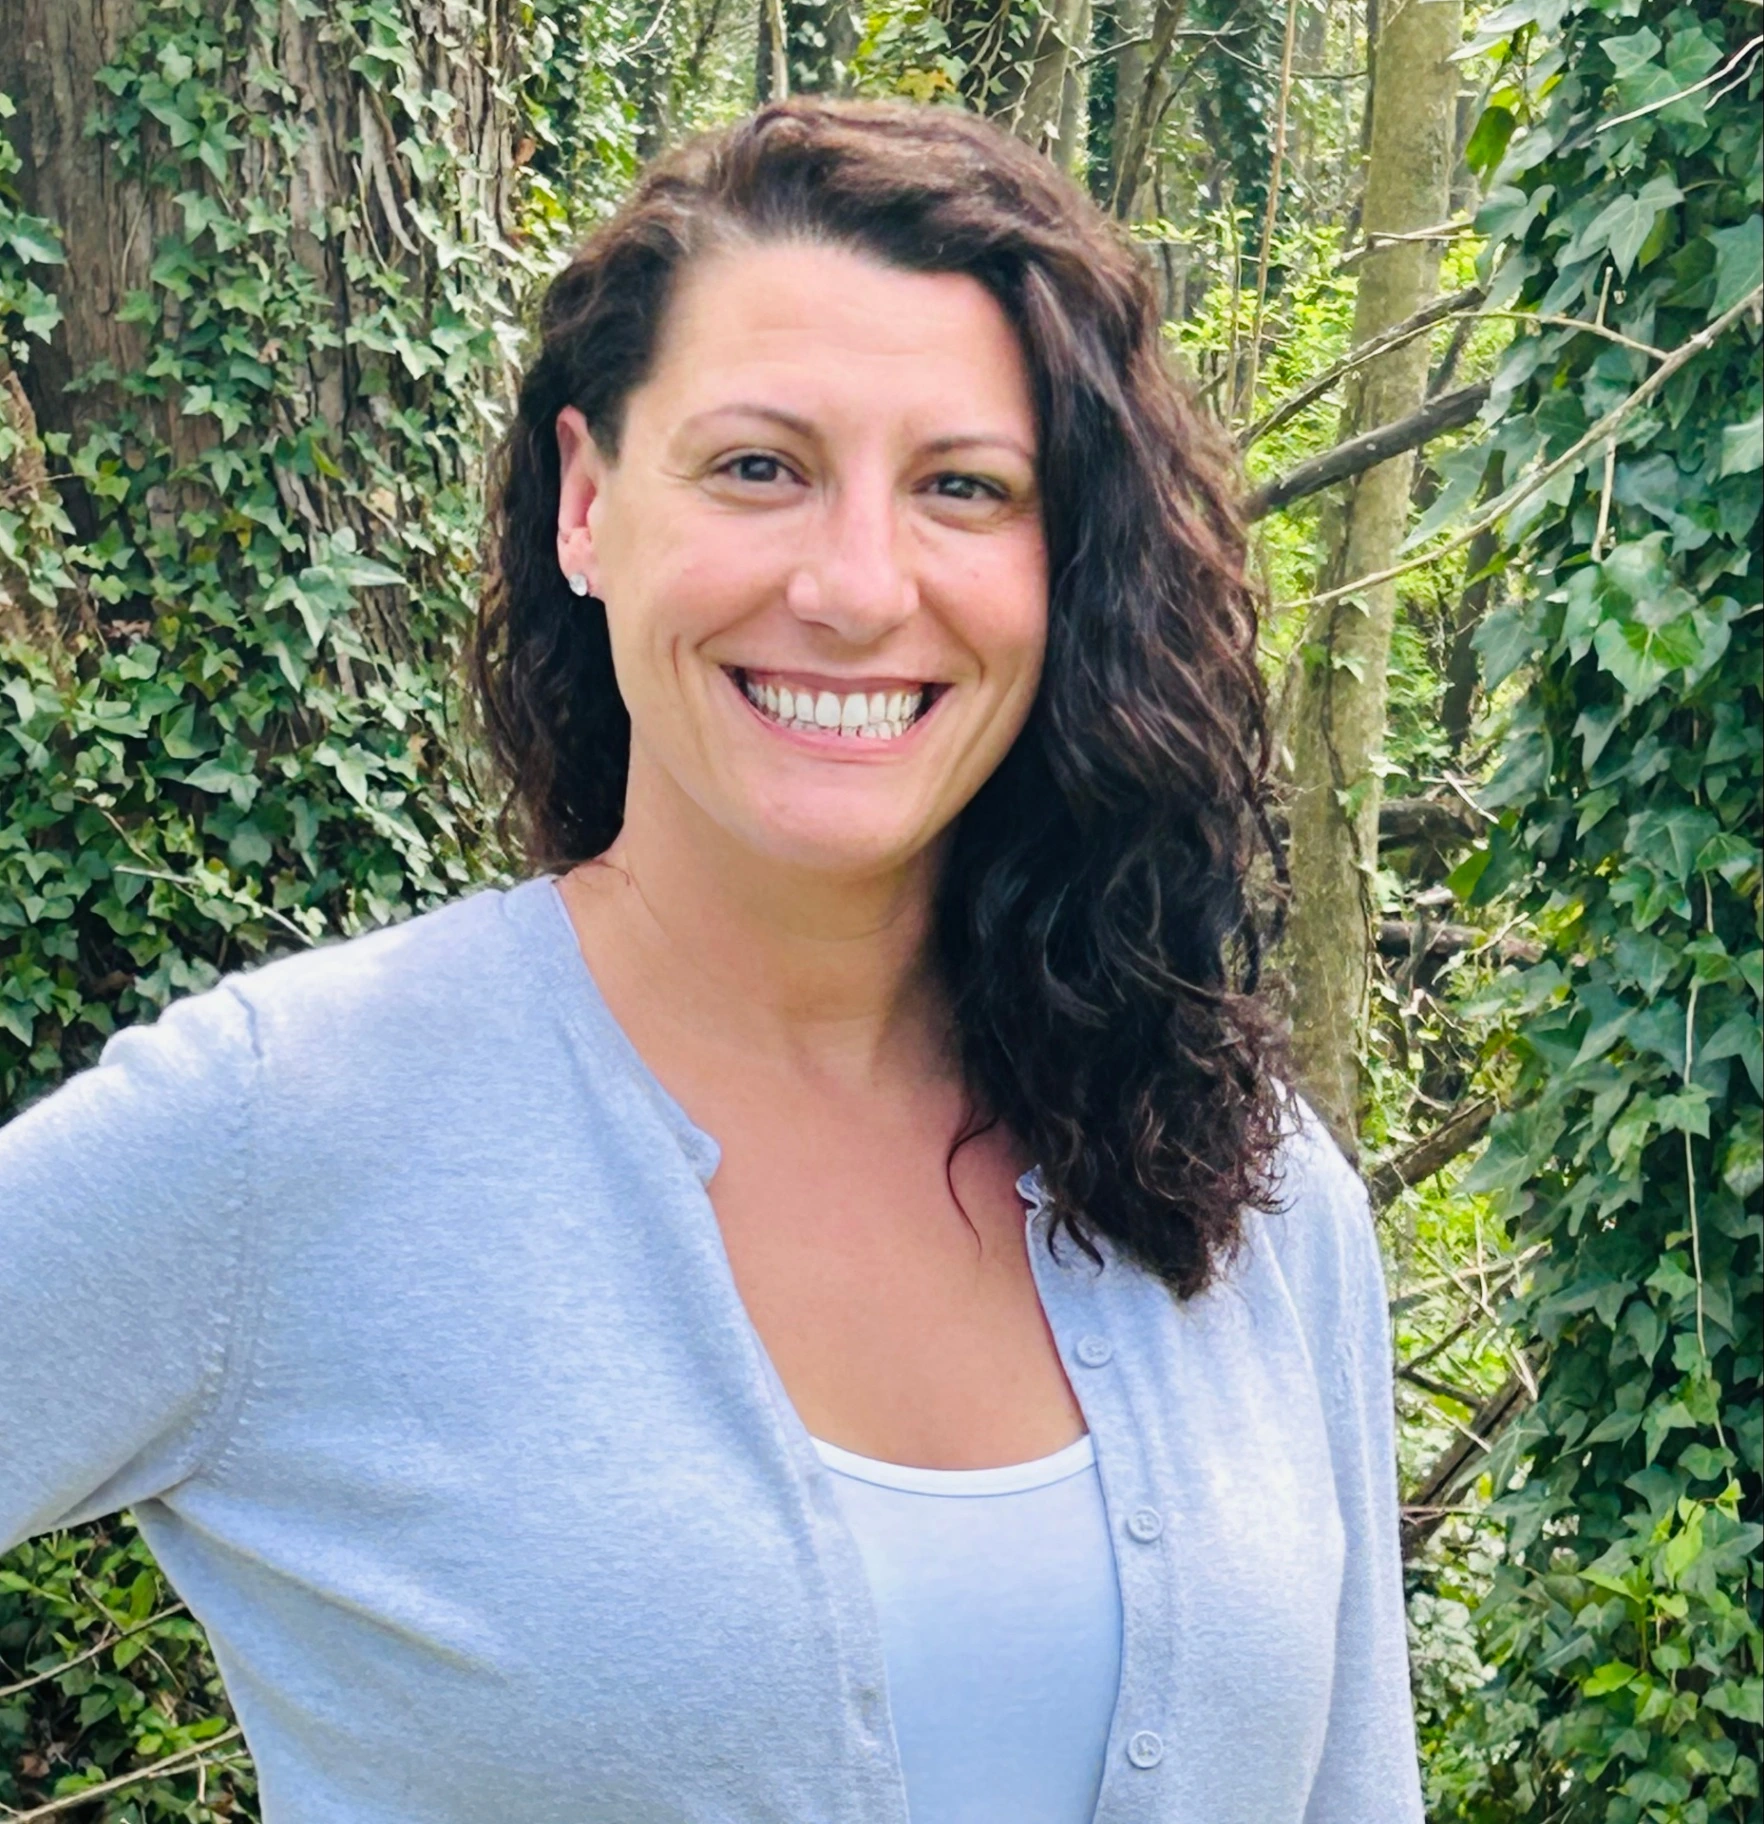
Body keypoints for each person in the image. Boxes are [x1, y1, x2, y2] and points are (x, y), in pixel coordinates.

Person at [0, 97, 1424, 1824]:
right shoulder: (281, 1133)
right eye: (762, 467)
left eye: (965, 488)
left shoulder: (1249, 1181)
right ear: (590, 504)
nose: (856, 584)